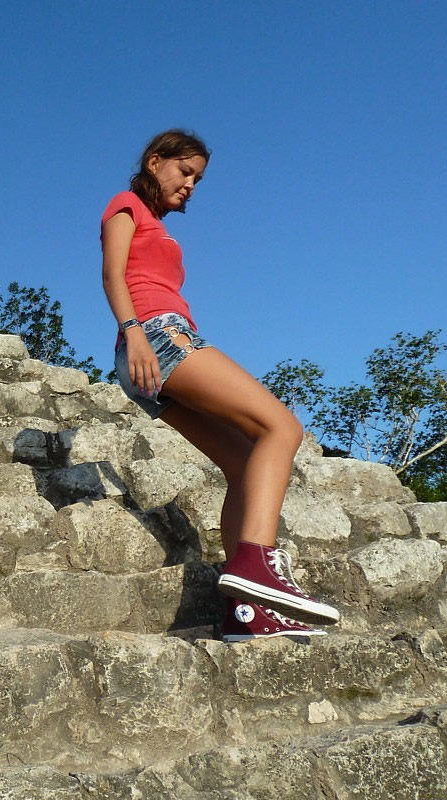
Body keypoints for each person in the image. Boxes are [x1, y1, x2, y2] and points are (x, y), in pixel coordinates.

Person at [100, 130, 340, 643]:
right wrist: (134, 333)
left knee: (241, 464)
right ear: (154, 161)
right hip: (156, 336)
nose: (190, 185)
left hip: (153, 345)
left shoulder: (161, 228)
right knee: (282, 428)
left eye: (198, 179)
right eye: (184, 172)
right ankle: (258, 567)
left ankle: (246, 612)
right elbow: (113, 276)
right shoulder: (126, 205)